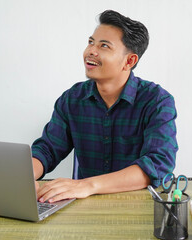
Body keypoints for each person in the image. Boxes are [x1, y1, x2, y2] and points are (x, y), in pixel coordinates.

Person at [31, 10, 178, 203]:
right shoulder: (71, 99)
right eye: (91, 42)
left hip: (139, 208)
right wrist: (24, 176)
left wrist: (87, 185)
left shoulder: (157, 101)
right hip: (84, 210)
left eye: (104, 46)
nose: (91, 51)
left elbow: (157, 164)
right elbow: (47, 149)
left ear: (129, 61)